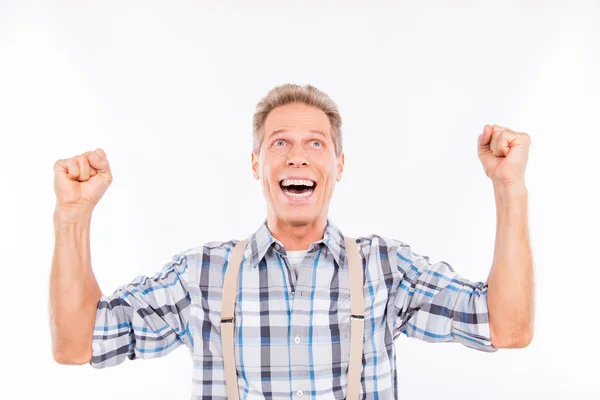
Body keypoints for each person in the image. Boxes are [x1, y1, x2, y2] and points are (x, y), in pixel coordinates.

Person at [49, 83, 534, 399]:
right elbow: (77, 344)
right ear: (257, 164)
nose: (297, 157)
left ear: (338, 166)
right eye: (279, 143)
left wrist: (509, 187)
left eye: (315, 143)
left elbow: (507, 328)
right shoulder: (201, 276)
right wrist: (73, 217)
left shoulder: (386, 268)